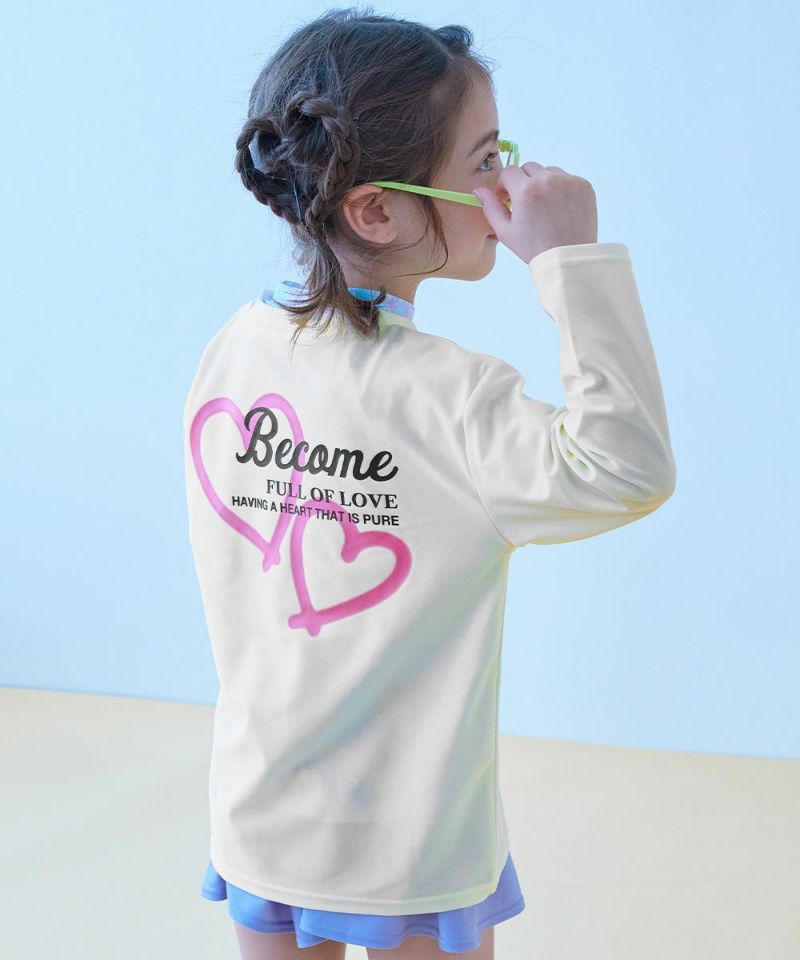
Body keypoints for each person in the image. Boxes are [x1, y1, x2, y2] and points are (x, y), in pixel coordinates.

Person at [183, 7, 677, 959]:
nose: (511, 185)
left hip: (259, 810)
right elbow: (628, 466)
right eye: (486, 161)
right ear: (377, 209)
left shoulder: (233, 350)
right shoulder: (454, 399)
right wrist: (571, 263)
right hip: (411, 843)